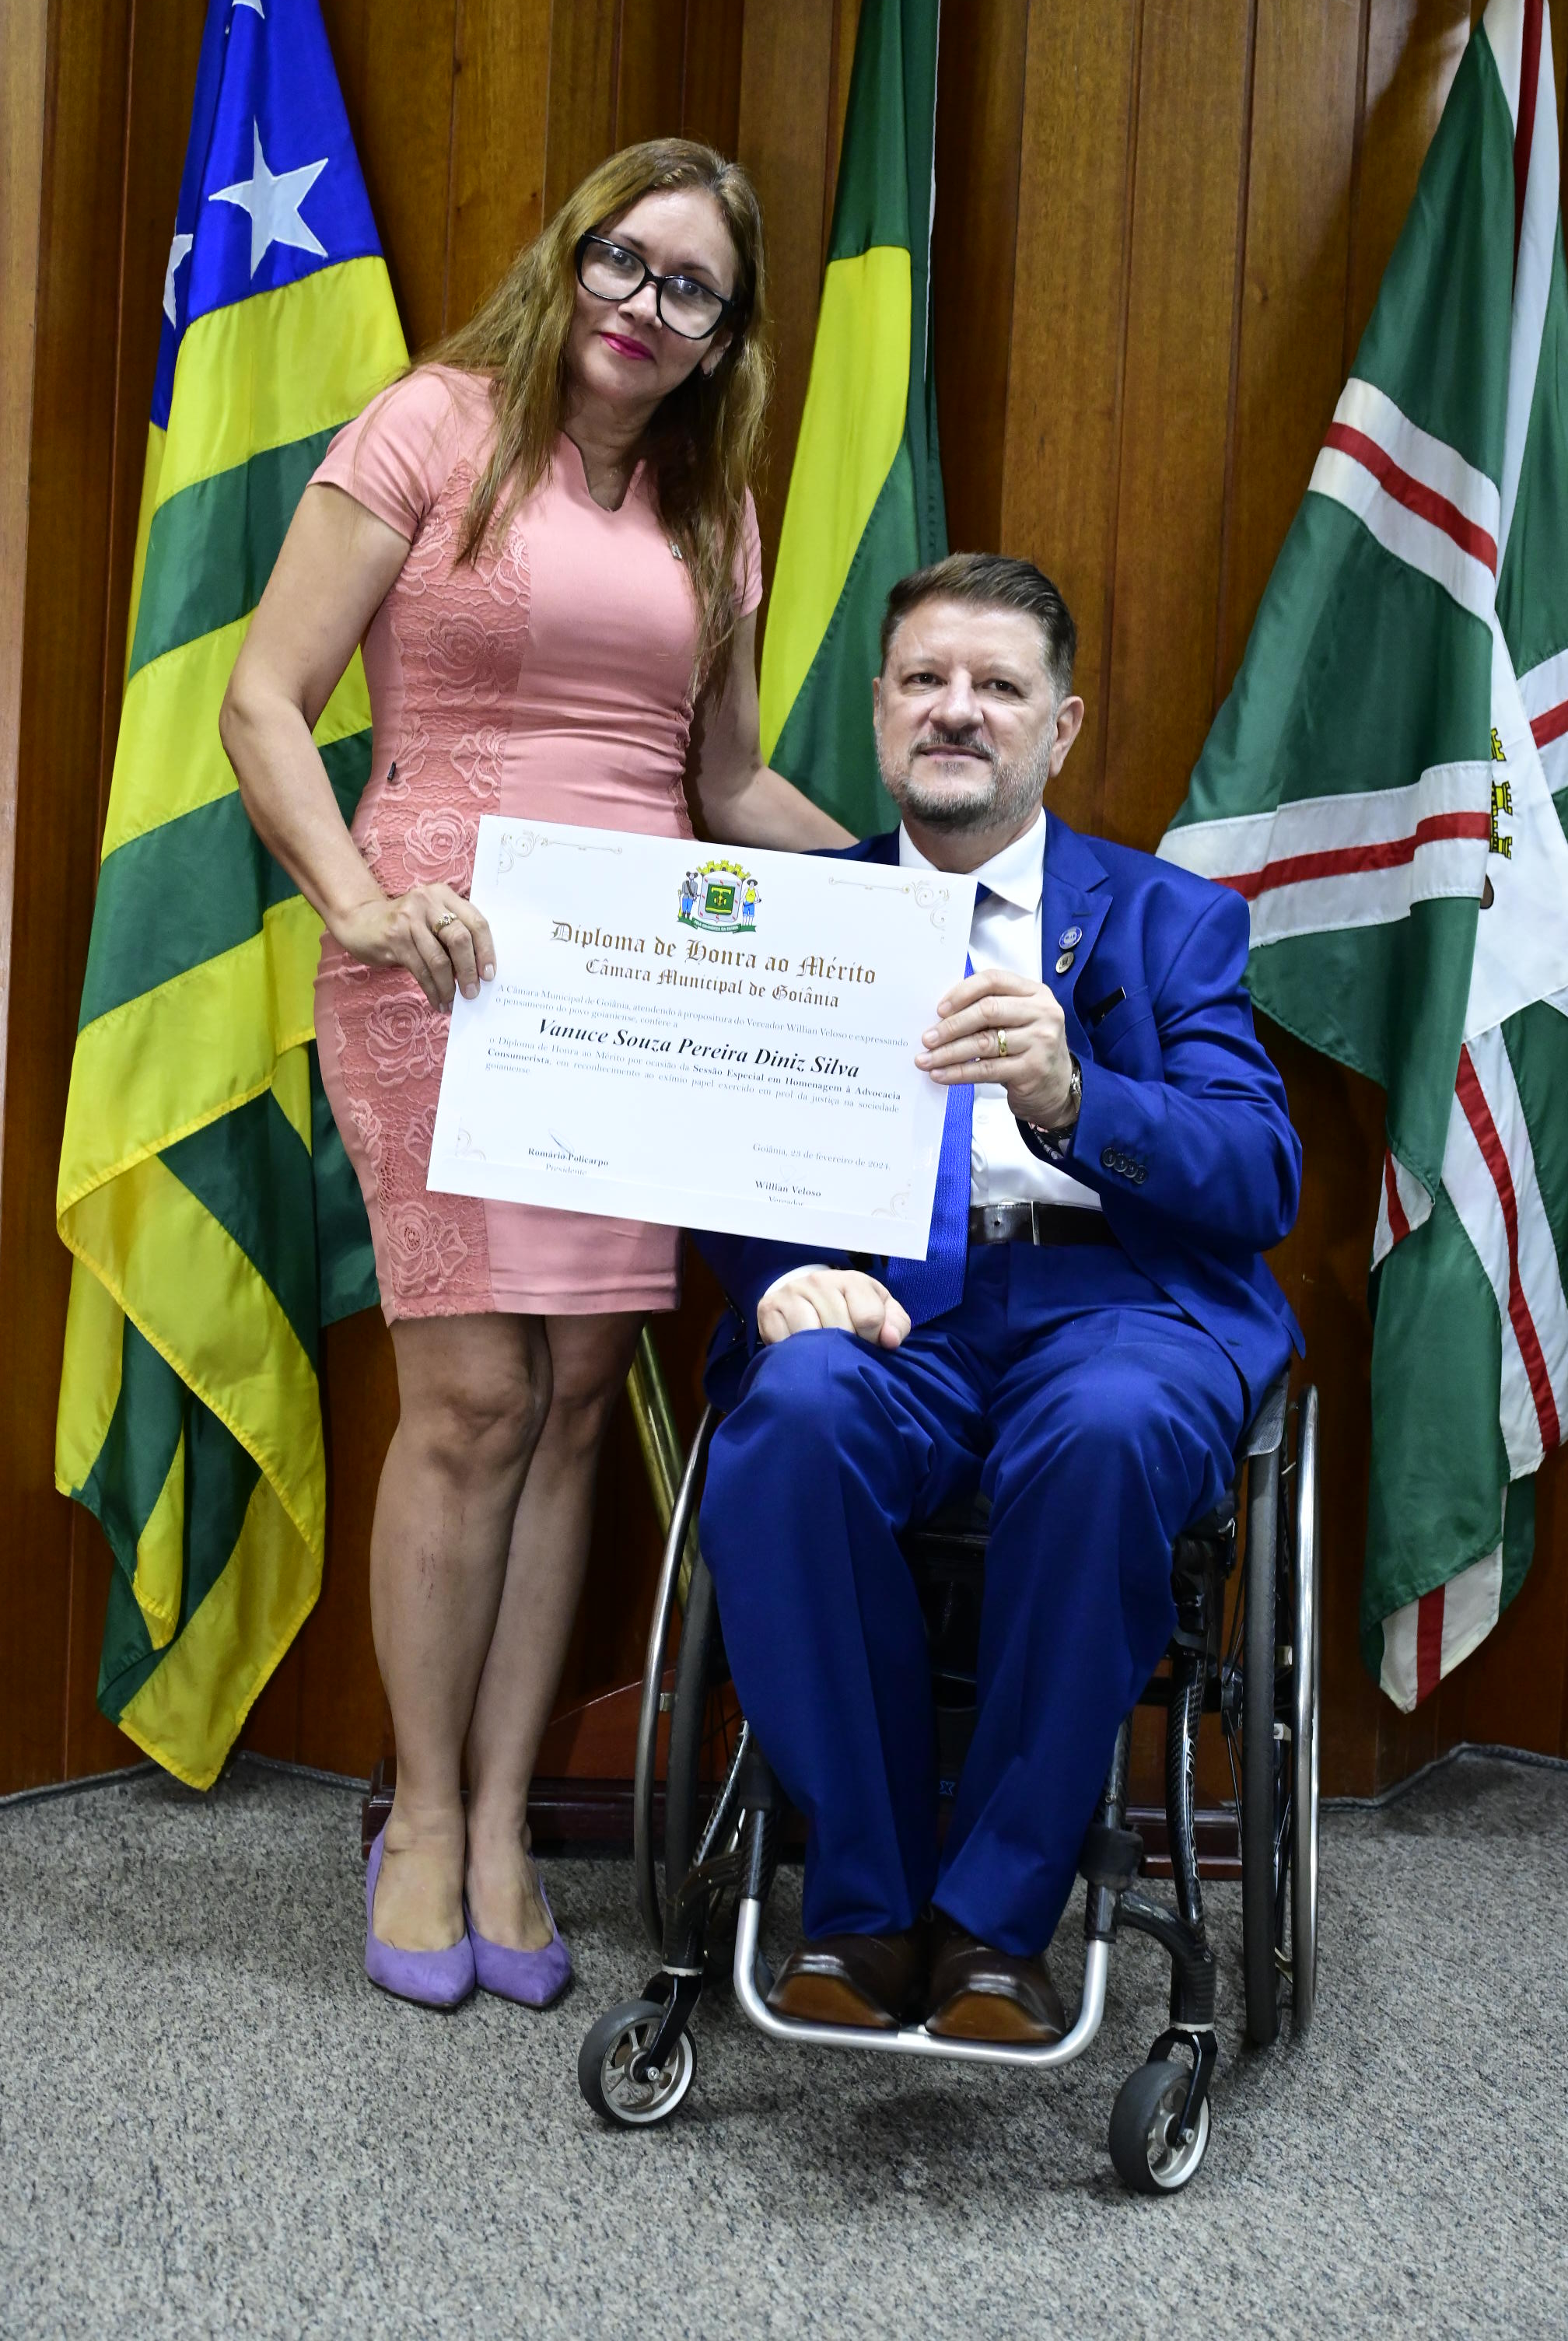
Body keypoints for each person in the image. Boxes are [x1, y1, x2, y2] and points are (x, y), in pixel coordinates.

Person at [222, 140, 849, 2011]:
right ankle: (421, 1820)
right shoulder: (429, 425)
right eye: (625, 260)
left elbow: (725, 784)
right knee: (476, 1399)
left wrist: (926, 905)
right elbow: (263, 698)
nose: (646, 307)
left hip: (629, 995)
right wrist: (360, 903)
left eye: (692, 289)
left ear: (726, 335)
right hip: (439, 963)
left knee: (577, 1398)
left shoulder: (716, 510)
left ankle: (503, 1822)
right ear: (571, 254)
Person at [695, 553, 1302, 2042]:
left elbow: (1260, 1173)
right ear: (882, 710)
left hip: (1116, 1305)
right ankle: (863, 1904)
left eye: (998, 686)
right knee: (794, 1415)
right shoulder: (797, 914)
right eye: (925, 679)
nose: (956, 710)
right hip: (891, 1303)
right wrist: (780, 1276)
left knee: (1106, 1432)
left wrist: (1078, 1095)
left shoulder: (1170, 920)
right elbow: (715, 1150)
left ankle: (996, 1924)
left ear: (1061, 726)